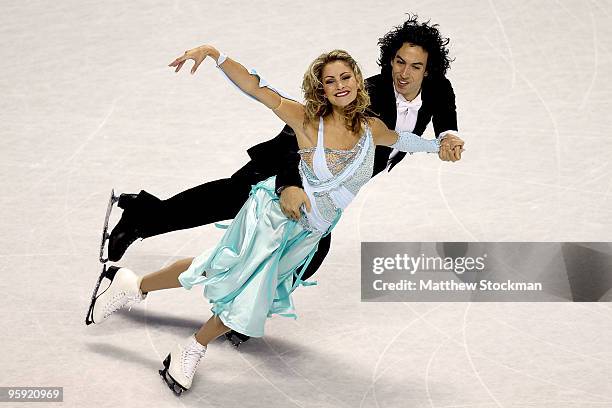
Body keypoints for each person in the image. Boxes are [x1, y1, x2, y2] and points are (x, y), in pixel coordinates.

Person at [86, 45, 464, 396]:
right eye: (330, 81)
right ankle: (189, 343)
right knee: (240, 278)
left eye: (345, 77)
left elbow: (407, 140)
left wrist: (442, 144)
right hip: (275, 214)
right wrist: (216, 55)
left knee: (237, 277)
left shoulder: (372, 128)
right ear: (322, 88)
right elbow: (257, 88)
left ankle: (133, 285)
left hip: (313, 230)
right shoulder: (305, 119)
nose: (340, 85)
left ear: (357, 79)